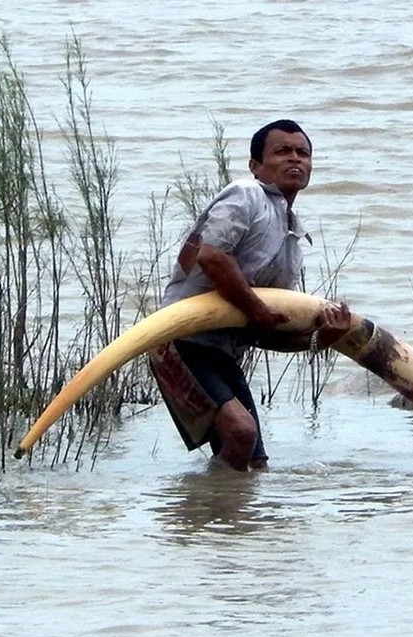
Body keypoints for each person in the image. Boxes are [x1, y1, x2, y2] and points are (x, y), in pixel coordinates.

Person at [149, 119, 350, 471]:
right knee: (240, 433)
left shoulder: (293, 241)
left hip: (224, 352)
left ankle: (219, 515)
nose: (295, 159)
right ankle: (210, 510)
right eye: (282, 151)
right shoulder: (247, 194)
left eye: (303, 153)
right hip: (179, 340)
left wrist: (323, 338)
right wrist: (257, 309)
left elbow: (268, 331)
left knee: (255, 464)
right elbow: (211, 257)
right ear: (256, 166)